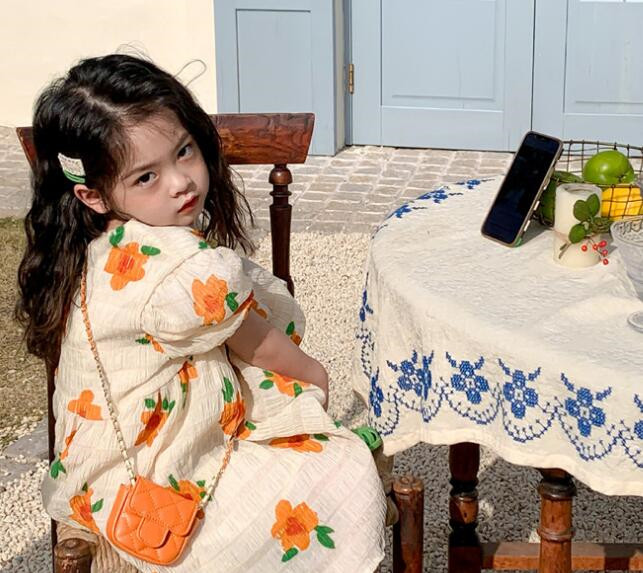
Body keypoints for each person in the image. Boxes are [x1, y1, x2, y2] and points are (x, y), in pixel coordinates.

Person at [16, 54, 386, 572]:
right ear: (93, 196)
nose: (180, 182)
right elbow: (260, 344)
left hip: (96, 470)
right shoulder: (179, 270)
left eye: (183, 152)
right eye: (146, 177)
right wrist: (316, 376)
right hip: (160, 470)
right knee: (340, 470)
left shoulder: (99, 245)